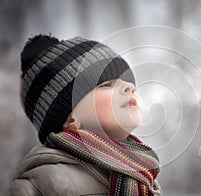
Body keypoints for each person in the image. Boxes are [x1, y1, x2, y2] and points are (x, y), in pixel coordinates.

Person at [10, 35, 161, 195]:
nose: (129, 87)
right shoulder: (40, 184)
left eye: (129, 83)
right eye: (107, 85)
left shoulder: (143, 177)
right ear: (71, 118)